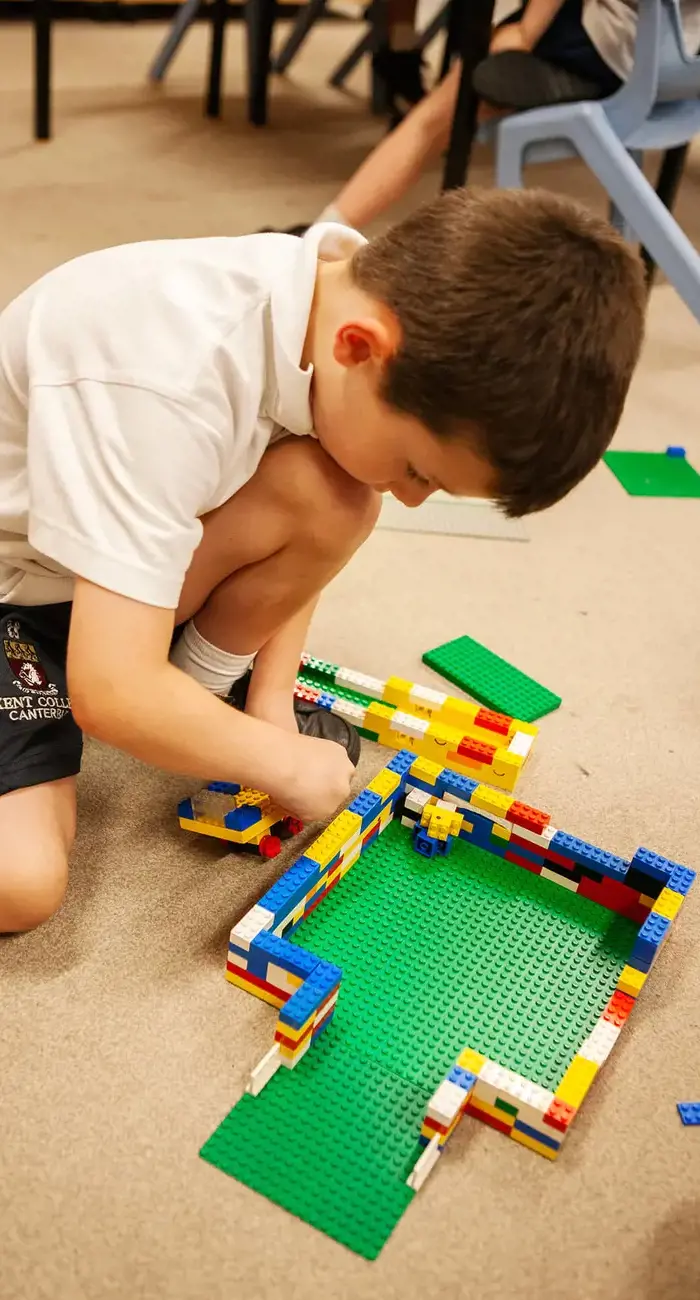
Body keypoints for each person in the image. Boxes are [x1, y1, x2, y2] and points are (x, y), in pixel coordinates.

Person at [0, 187, 646, 933]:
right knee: (25, 882)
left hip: (92, 560)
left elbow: (320, 471)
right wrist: (281, 765)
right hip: (19, 592)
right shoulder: (161, 383)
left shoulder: (329, 291)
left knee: (335, 488)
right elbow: (108, 694)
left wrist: (269, 709)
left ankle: (199, 693)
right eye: (419, 471)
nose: (408, 501)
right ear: (360, 347)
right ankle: (165, 693)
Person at [308, 0, 700, 232]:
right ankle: (401, 58)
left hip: (615, 45)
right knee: (469, 83)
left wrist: (527, 32)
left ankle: (326, 231)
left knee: (457, 94)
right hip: (682, 57)